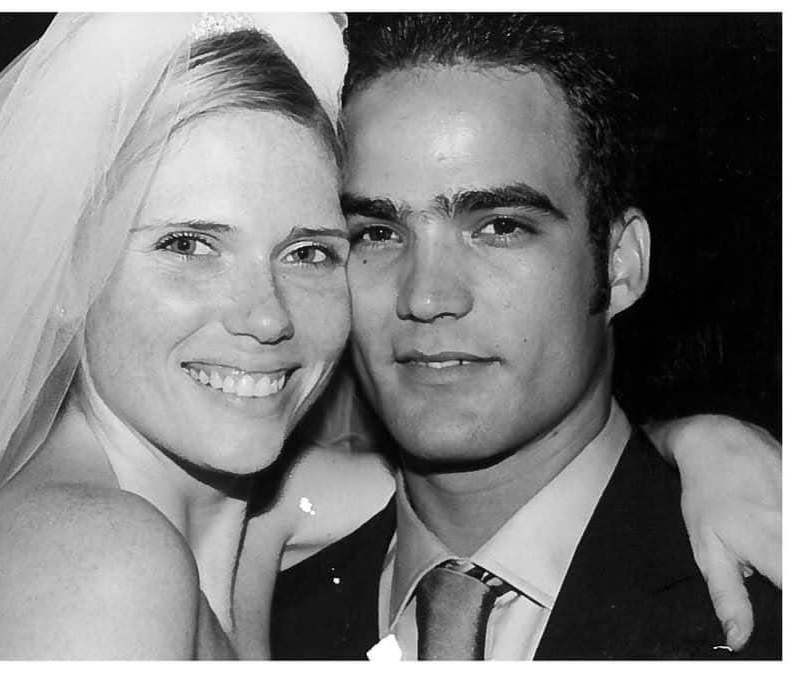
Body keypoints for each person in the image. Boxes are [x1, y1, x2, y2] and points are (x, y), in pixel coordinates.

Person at [0, 12, 780, 661]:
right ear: (65, 270)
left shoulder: (269, 517)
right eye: (188, 245)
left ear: (619, 265)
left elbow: (509, 478)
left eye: (310, 250)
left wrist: (693, 440)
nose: (266, 317)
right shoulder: (94, 562)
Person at [268, 13, 781, 660]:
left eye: (500, 227)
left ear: (620, 265)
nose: (426, 297)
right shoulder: (267, 621)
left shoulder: (766, 600)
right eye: (377, 233)